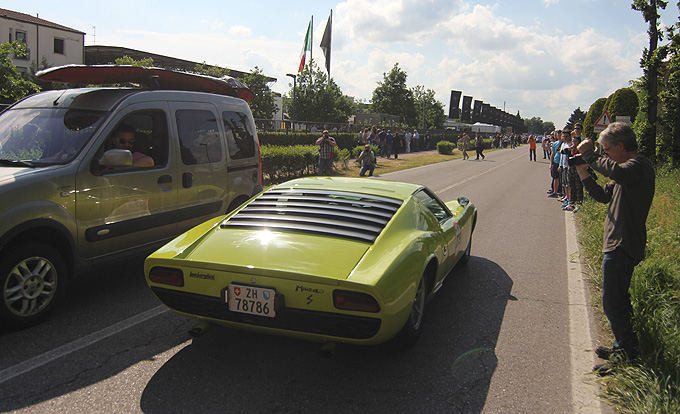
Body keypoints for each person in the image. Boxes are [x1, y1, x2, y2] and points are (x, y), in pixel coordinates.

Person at [573, 122, 655, 375]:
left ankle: (626, 355)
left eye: (606, 149)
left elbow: (615, 173)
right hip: (617, 243)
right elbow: (602, 196)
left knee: (612, 301)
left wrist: (589, 154)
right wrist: (583, 171)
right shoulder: (624, 173)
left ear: (620, 146)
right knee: (618, 299)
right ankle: (624, 346)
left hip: (624, 243)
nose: (604, 154)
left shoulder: (637, 167)